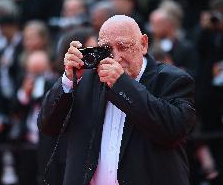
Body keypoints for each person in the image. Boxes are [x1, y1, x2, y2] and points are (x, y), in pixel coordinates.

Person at [38, 15, 196, 185]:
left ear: (143, 44)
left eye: (123, 46)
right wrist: (68, 79)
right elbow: (47, 126)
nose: (116, 57)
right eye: (107, 49)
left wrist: (122, 85)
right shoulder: (85, 79)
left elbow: (173, 130)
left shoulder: (172, 79)